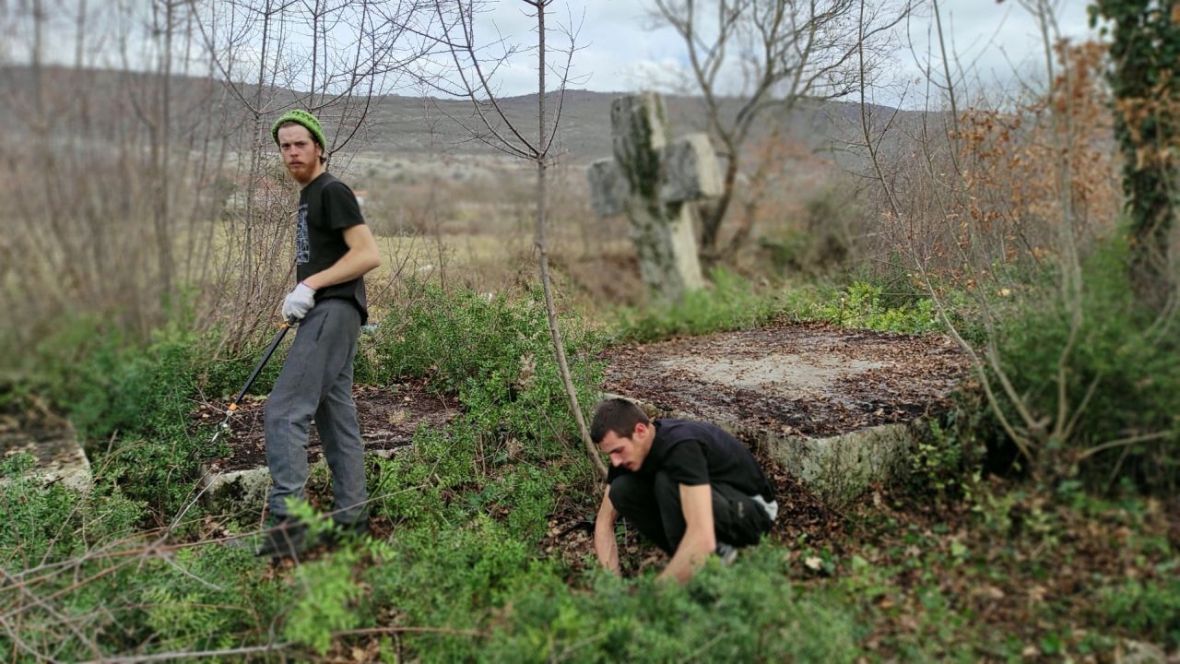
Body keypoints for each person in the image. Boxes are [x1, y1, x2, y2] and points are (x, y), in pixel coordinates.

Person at [257, 109, 382, 558]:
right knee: (335, 418)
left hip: (333, 311)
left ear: (319, 148)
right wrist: (305, 290)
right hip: (332, 313)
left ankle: (289, 529)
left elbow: (367, 254)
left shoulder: (331, 190)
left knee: (283, 411)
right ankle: (352, 521)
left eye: (300, 144)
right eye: (285, 146)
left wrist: (311, 284)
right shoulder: (310, 195)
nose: (292, 152)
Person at [591, 397, 778, 582]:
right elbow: (603, 524)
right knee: (621, 490)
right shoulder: (624, 457)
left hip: (753, 511)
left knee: (667, 481)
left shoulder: (680, 446)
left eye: (618, 451)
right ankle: (691, 562)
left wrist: (653, 598)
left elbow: (702, 535)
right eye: (610, 454)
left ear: (640, 431)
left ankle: (712, 559)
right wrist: (613, 589)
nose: (615, 461)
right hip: (714, 505)